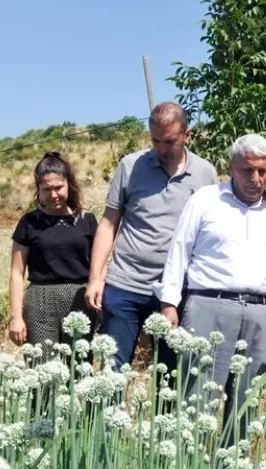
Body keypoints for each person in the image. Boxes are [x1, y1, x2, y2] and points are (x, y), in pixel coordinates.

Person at [158, 134, 266, 435]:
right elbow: (179, 250)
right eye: (247, 170)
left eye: (263, 170)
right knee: (197, 399)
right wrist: (169, 303)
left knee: (248, 402)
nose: (255, 178)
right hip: (209, 306)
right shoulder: (206, 200)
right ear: (231, 167)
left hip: (262, 313)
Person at [85, 102, 218, 370]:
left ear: (187, 135)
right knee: (113, 372)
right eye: (155, 141)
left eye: (169, 142)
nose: (161, 149)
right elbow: (109, 223)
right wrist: (95, 278)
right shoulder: (130, 166)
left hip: (176, 292)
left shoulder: (205, 173)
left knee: (169, 375)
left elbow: (211, 233)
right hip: (125, 286)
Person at [8, 152, 98, 349]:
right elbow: (16, 273)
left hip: (80, 300)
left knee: (79, 369)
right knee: (42, 368)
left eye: (58, 187)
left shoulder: (87, 220)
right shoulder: (29, 222)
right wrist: (16, 317)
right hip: (39, 301)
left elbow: (99, 267)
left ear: (69, 184)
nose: (54, 195)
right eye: (47, 189)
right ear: (38, 190)